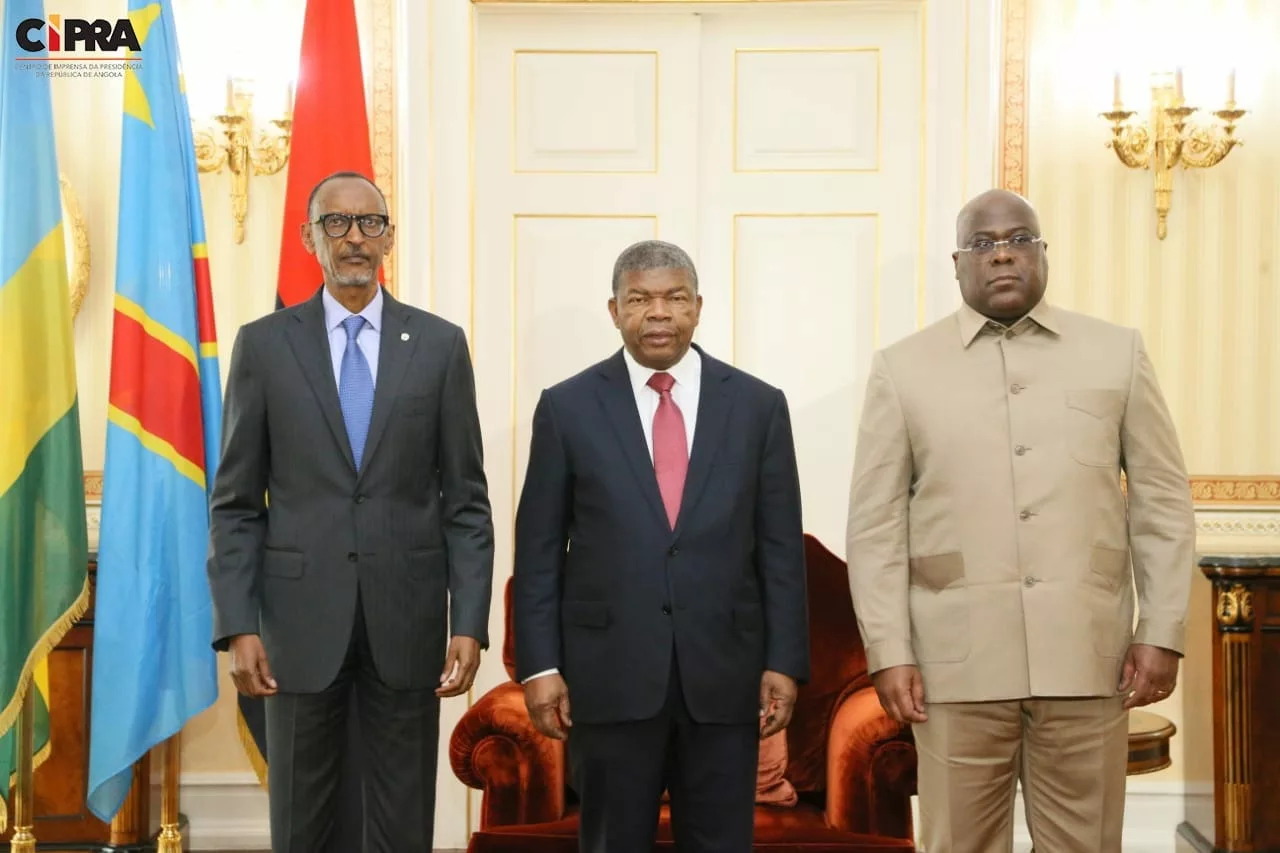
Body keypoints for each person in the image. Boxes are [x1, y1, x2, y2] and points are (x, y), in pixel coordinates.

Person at [845, 188, 1195, 852]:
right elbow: (876, 525)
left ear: (1042, 254)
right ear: (957, 264)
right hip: (953, 666)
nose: (1002, 253)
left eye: (1019, 239)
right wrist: (889, 651)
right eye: (983, 243)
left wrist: (1162, 630)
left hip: (1090, 659)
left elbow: (1161, 500)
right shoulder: (903, 368)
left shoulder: (1115, 352)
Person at [206, 171, 494, 852]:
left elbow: (467, 502)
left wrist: (470, 620)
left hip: (409, 619)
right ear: (311, 239)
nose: (354, 237)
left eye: (368, 223)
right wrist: (237, 623)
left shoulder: (439, 344)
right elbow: (237, 504)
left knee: (402, 825)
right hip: (298, 627)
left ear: (389, 236)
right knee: (304, 824)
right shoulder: (265, 345)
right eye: (336, 223)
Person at [512, 240, 810, 853]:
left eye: (674, 298)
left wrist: (784, 661)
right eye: (640, 299)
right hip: (609, 676)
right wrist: (541, 667)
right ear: (615, 309)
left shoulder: (758, 407)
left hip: (724, 677)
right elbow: (538, 550)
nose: (658, 313)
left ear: (697, 307)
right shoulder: (567, 407)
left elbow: (780, 548)